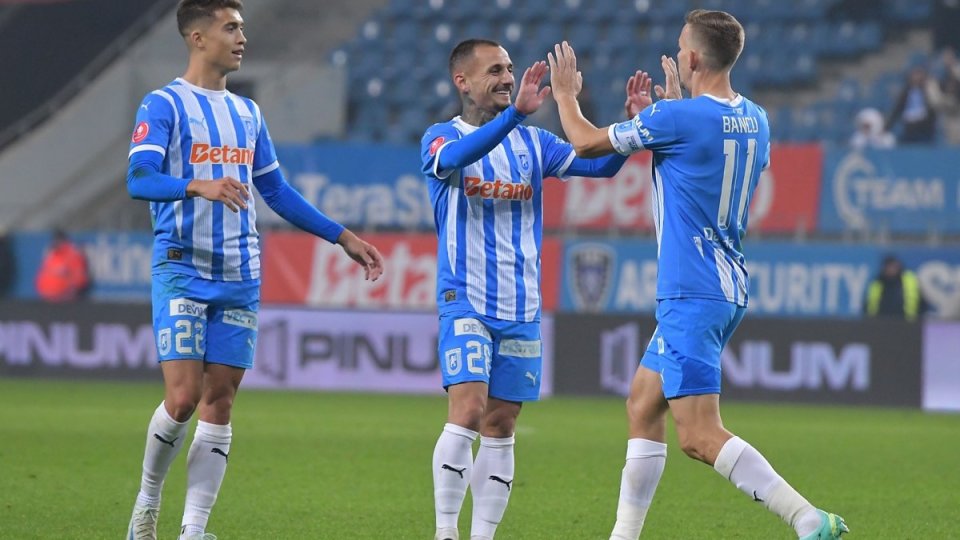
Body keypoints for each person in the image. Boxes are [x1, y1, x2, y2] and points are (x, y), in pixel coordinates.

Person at [547, 10, 849, 540]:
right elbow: (708, 153)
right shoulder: (756, 118)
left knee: (698, 435)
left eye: (680, 45)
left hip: (692, 289)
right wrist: (667, 113)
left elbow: (586, 143)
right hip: (725, 283)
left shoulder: (677, 119)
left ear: (690, 57)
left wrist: (566, 96)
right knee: (644, 403)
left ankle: (807, 518)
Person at [123, 2, 384, 539]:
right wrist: (196, 185)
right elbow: (139, 178)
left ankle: (193, 529)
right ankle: (147, 503)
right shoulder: (164, 104)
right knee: (183, 398)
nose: (242, 37)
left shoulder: (247, 113)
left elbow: (276, 192)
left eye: (242, 27)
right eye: (231, 27)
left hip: (239, 272)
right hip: (182, 265)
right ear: (197, 37)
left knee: (220, 400)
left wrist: (342, 236)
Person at [421, 39, 635, 540]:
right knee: (468, 411)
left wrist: (627, 130)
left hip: (521, 306)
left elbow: (599, 166)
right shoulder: (440, 137)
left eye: (510, 69)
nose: (507, 78)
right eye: (494, 70)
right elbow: (457, 158)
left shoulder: (535, 143)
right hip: (465, 299)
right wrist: (515, 115)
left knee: (501, 425)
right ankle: (446, 531)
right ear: (462, 82)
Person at [886, 65, 942, 144]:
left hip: (924, 125)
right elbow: (898, 109)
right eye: (914, 75)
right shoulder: (906, 92)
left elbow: (934, 106)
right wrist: (887, 126)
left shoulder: (927, 91)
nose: (916, 77)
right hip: (909, 125)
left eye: (919, 74)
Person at [864, 254, 927, 322]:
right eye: (888, 267)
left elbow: (922, 304)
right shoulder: (877, 283)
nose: (891, 270)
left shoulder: (910, 280)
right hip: (881, 323)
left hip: (907, 323)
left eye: (893, 267)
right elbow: (868, 306)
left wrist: (917, 320)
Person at [34, 228, 90, 302]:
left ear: (64, 241)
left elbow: (80, 278)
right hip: (45, 297)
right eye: (55, 240)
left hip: (63, 299)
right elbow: (42, 274)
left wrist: (71, 292)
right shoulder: (51, 255)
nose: (56, 242)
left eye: (58, 240)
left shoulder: (73, 254)